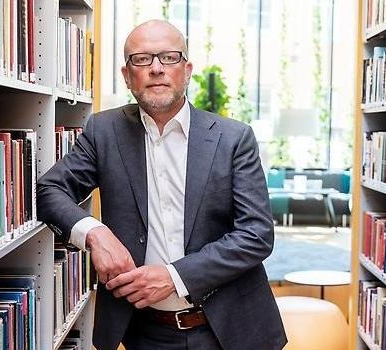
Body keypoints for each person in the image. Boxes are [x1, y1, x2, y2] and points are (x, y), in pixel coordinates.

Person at [37, 19, 286, 350]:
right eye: (141, 59)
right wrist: (95, 234)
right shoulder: (103, 131)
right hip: (145, 330)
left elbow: (256, 234)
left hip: (228, 329)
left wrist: (173, 276)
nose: (156, 69)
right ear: (127, 76)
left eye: (169, 57)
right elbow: (48, 191)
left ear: (187, 70)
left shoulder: (233, 138)